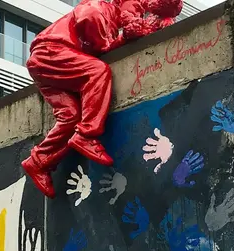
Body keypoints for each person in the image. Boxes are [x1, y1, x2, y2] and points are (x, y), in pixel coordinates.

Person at [21, 0, 182, 198]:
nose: (137, 14)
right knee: (98, 72)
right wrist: (116, 40)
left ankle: (37, 162)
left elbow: (101, 46)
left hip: (45, 61)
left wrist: (123, 38)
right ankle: (87, 134)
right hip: (51, 51)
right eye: (135, 8)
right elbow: (88, 17)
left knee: (70, 116)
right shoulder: (102, 7)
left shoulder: (112, 22)